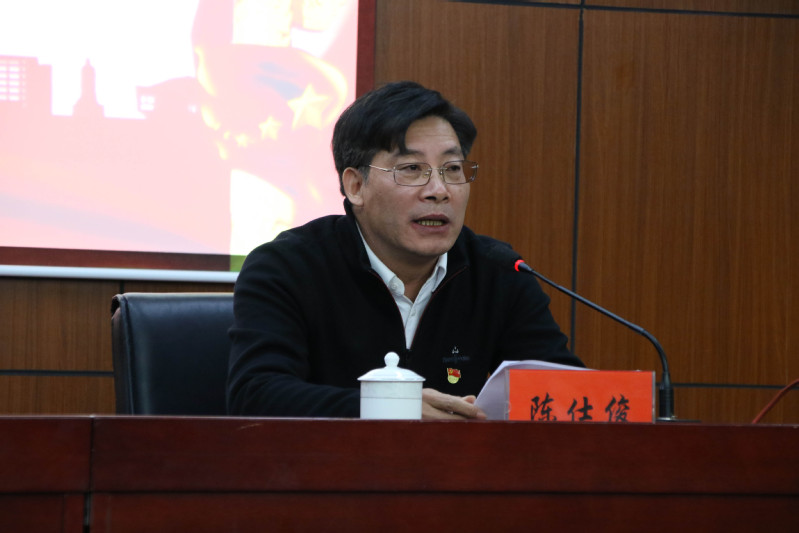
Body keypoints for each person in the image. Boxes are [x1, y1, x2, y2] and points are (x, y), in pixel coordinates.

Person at [227, 81, 584, 419]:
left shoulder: (498, 271)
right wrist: (393, 407)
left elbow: (568, 397)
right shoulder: (288, 267)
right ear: (355, 186)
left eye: (452, 169)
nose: (439, 190)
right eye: (412, 169)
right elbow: (256, 395)